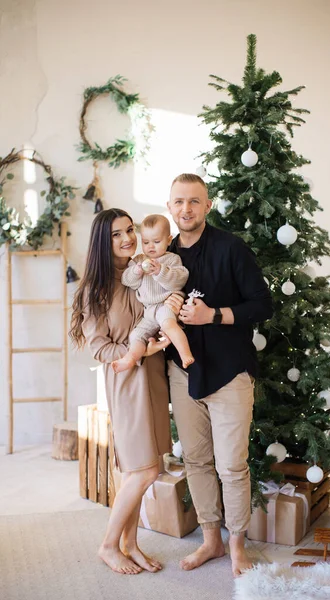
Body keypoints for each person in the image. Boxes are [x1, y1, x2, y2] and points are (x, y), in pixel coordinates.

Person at [166, 173, 273, 577]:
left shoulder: (232, 248)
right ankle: (210, 541)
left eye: (194, 202)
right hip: (182, 372)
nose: (186, 209)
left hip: (229, 371)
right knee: (196, 460)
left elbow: (263, 305)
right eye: (179, 202)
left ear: (207, 206)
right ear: (170, 206)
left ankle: (237, 546)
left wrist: (214, 315)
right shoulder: (163, 255)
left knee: (232, 466)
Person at [70, 208, 182, 575]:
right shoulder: (95, 289)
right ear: (103, 242)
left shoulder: (142, 268)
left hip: (152, 374)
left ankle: (130, 544)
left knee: (146, 465)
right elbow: (99, 348)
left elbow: (164, 301)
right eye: (117, 234)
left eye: (129, 230)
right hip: (125, 379)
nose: (127, 238)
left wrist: (173, 305)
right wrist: (138, 352)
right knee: (143, 469)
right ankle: (108, 546)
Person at [111, 214, 194, 373]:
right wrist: (137, 271)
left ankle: (185, 354)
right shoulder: (138, 260)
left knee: (169, 325)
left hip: (165, 305)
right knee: (136, 335)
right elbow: (128, 281)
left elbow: (179, 280)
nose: (151, 247)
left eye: (156, 242)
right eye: (146, 242)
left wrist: (160, 271)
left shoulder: (172, 260)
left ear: (169, 240)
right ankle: (130, 358)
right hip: (149, 311)